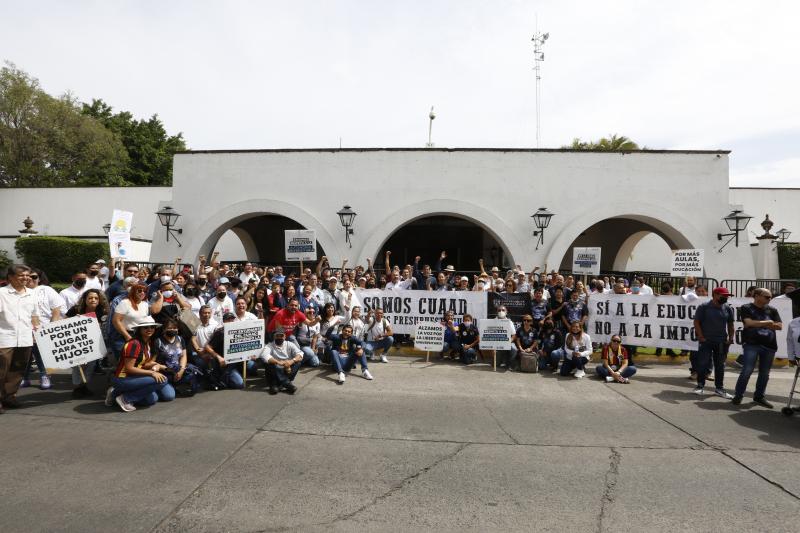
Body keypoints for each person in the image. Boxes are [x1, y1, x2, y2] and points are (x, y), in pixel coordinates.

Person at [107, 316, 175, 412]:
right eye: (145, 327)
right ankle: (125, 399)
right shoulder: (134, 344)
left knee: (152, 399)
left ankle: (114, 394)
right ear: (139, 329)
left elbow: (141, 364)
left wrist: (157, 365)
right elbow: (129, 368)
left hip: (134, 378)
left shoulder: (147, 343)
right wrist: (152, 373)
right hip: (123, 378)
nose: (149, 329)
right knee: (162, 380)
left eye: (152, 327)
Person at [733, 288, 783, 408]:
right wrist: (768, 322)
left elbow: (779, 326)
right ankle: (738, 395)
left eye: (770, 297)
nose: (770, 299)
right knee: (747, 370)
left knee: (764, 373)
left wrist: (758, 323)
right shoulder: (746, 307)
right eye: (767, 297)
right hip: (752, 344)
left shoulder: (772, 310)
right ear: (756, 296)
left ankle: (759, 396)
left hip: (769, 345)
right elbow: (748, 323)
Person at [0, 265, 39, 414]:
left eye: (28, 275)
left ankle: (9, 397)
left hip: (25, 338)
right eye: (21, 275)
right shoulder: (2, 293)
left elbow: (34, 316)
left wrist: (37, 333)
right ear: (10, 277)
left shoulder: (32, 293)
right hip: (4, 337)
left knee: (18, 370)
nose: (26, 278)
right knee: (1, 370)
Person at [21, 268, 64, 390]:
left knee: (40, 354)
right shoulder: (20, 291)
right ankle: (24, 377)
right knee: (25, 355)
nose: (30, 279)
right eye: (28, 276)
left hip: (43, 328)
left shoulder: (46, 290)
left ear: (39, 279)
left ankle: (44, 376)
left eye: (34, 277)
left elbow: (56, 309)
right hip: (23, 328)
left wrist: (51, 327)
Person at [65, 289, 110, 398]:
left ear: (99, 300)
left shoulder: (103, 311)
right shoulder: (76, 309)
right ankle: (77, 388)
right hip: (77, 342)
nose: (93, 300)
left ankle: (83, 386)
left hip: (94, 343)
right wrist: (74, 321)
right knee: (78, 366)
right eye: (90, 298)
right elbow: (64, 322)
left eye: (96, 298)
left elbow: (105, 327)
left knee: (90, 366)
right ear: (85, 299)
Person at [692, 287, 735, 398]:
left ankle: (719, 389)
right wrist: (701, 336)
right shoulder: (704, 307)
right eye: (724, 295)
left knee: (720, 366)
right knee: (703, 363)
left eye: (727, 296)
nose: (726, 298)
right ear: (715, 294)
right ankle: (700, 386)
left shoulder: (727, 308)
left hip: (721, 342)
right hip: (706, 341)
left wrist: (731, 338)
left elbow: (730, 324)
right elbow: (696, 322)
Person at [155, 317, 200, 396]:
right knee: (169, 396)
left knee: (192, 370)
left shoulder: (180, 339)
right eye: (169, 328)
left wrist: (181, 370)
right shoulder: (158, 342)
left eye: (175, 328)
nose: (172, 330)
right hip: (165, 372)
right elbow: (153, 361)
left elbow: (183, 356)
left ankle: (177, 385)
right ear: (164, 329)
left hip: (178, 370)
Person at [202, 312, 245, 389]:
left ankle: (226, 378)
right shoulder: (220, 332)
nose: (231, 321)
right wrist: (219, 357)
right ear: (224, 321)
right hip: (223, 363)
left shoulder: (238, 331)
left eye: (232, 320)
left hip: (234, 362)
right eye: (228, 320)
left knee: (240, 383)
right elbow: (207, 347)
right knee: (238, 384)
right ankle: (221, 379)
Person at [259, 327, 303, 395]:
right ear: (274, 337)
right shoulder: (269, 345)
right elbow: (264, 355)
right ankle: (286, 383)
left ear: (285, 337)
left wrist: (292, 361)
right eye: (277, 336)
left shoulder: (289, 344)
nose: (279, 338)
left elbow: (300, 354)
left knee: (298, 362)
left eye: (281, 336)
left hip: (287, 368)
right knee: (268, 363)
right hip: (276, 369)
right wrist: (279, 362)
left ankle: (277, 385)